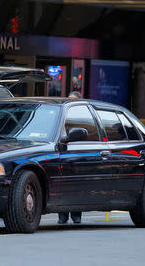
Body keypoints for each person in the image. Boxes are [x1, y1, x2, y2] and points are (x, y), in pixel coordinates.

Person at [58, 90, 83, 224]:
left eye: (72, 100)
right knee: (63, 184)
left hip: (77, 153)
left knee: (76, 185)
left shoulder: (81, 116)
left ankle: (76, 215)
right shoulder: (63, 113)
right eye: (68, 99)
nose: (69, 102)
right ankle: (62, 215)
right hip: (64, 152)